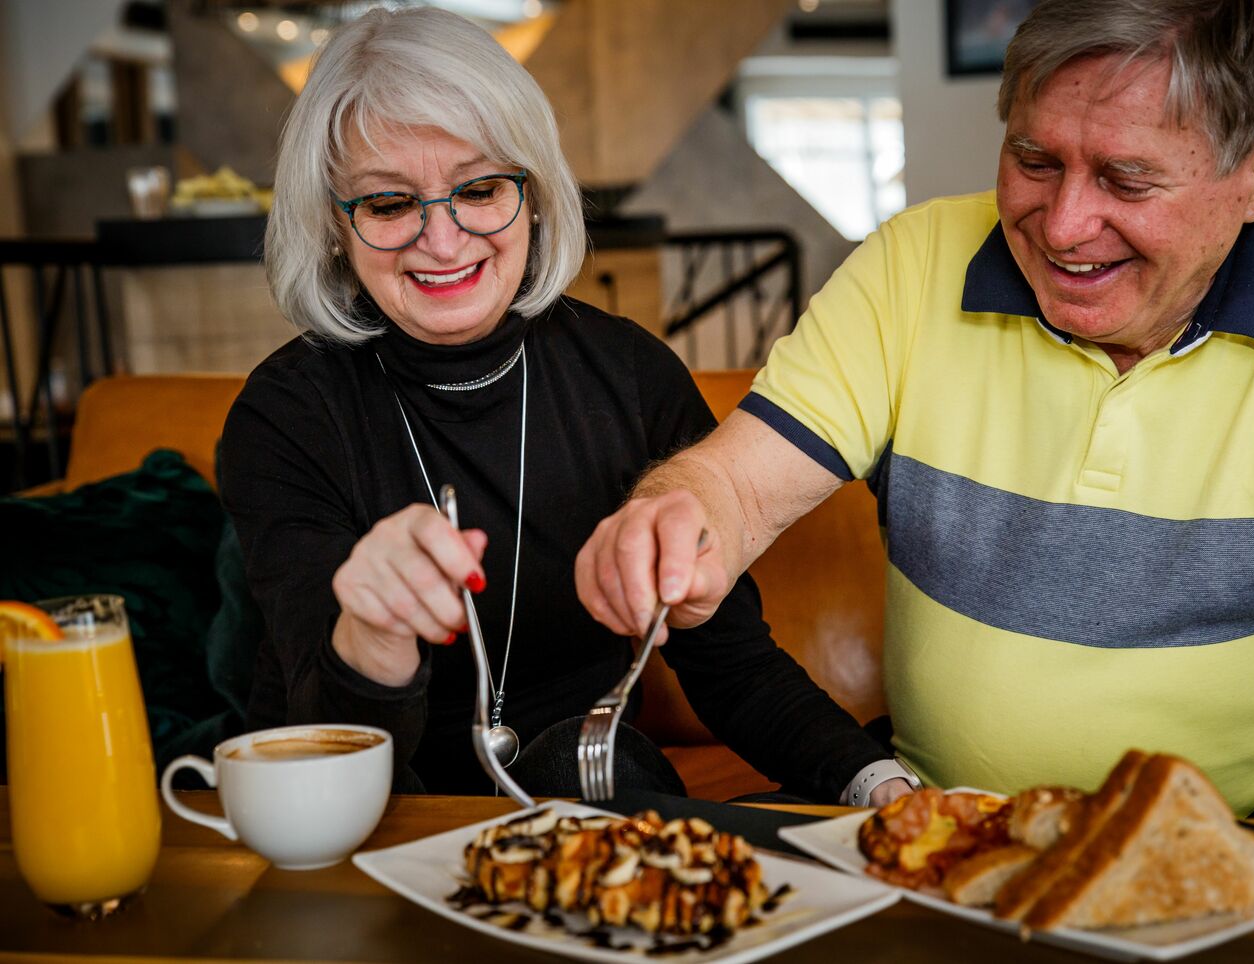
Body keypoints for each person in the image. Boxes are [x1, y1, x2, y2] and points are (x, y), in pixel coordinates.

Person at [576, 0, 1254, 820]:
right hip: (945, 838)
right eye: (1034, 161)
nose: (1066, 227)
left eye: (1126, 179)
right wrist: (669, 520)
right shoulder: (913, 263)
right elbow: (736, 490)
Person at [219, 6, 900, 802]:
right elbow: (321, 751)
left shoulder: (631, 376)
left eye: (478, 189)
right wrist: (373, 630)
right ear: (335, 227)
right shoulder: (284, 417)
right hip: (367, 816)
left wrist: (876, 785)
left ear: (535, 196)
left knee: (586, 769)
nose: (441, 241)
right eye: (389, 203)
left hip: (584, 802)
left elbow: (730, 664)